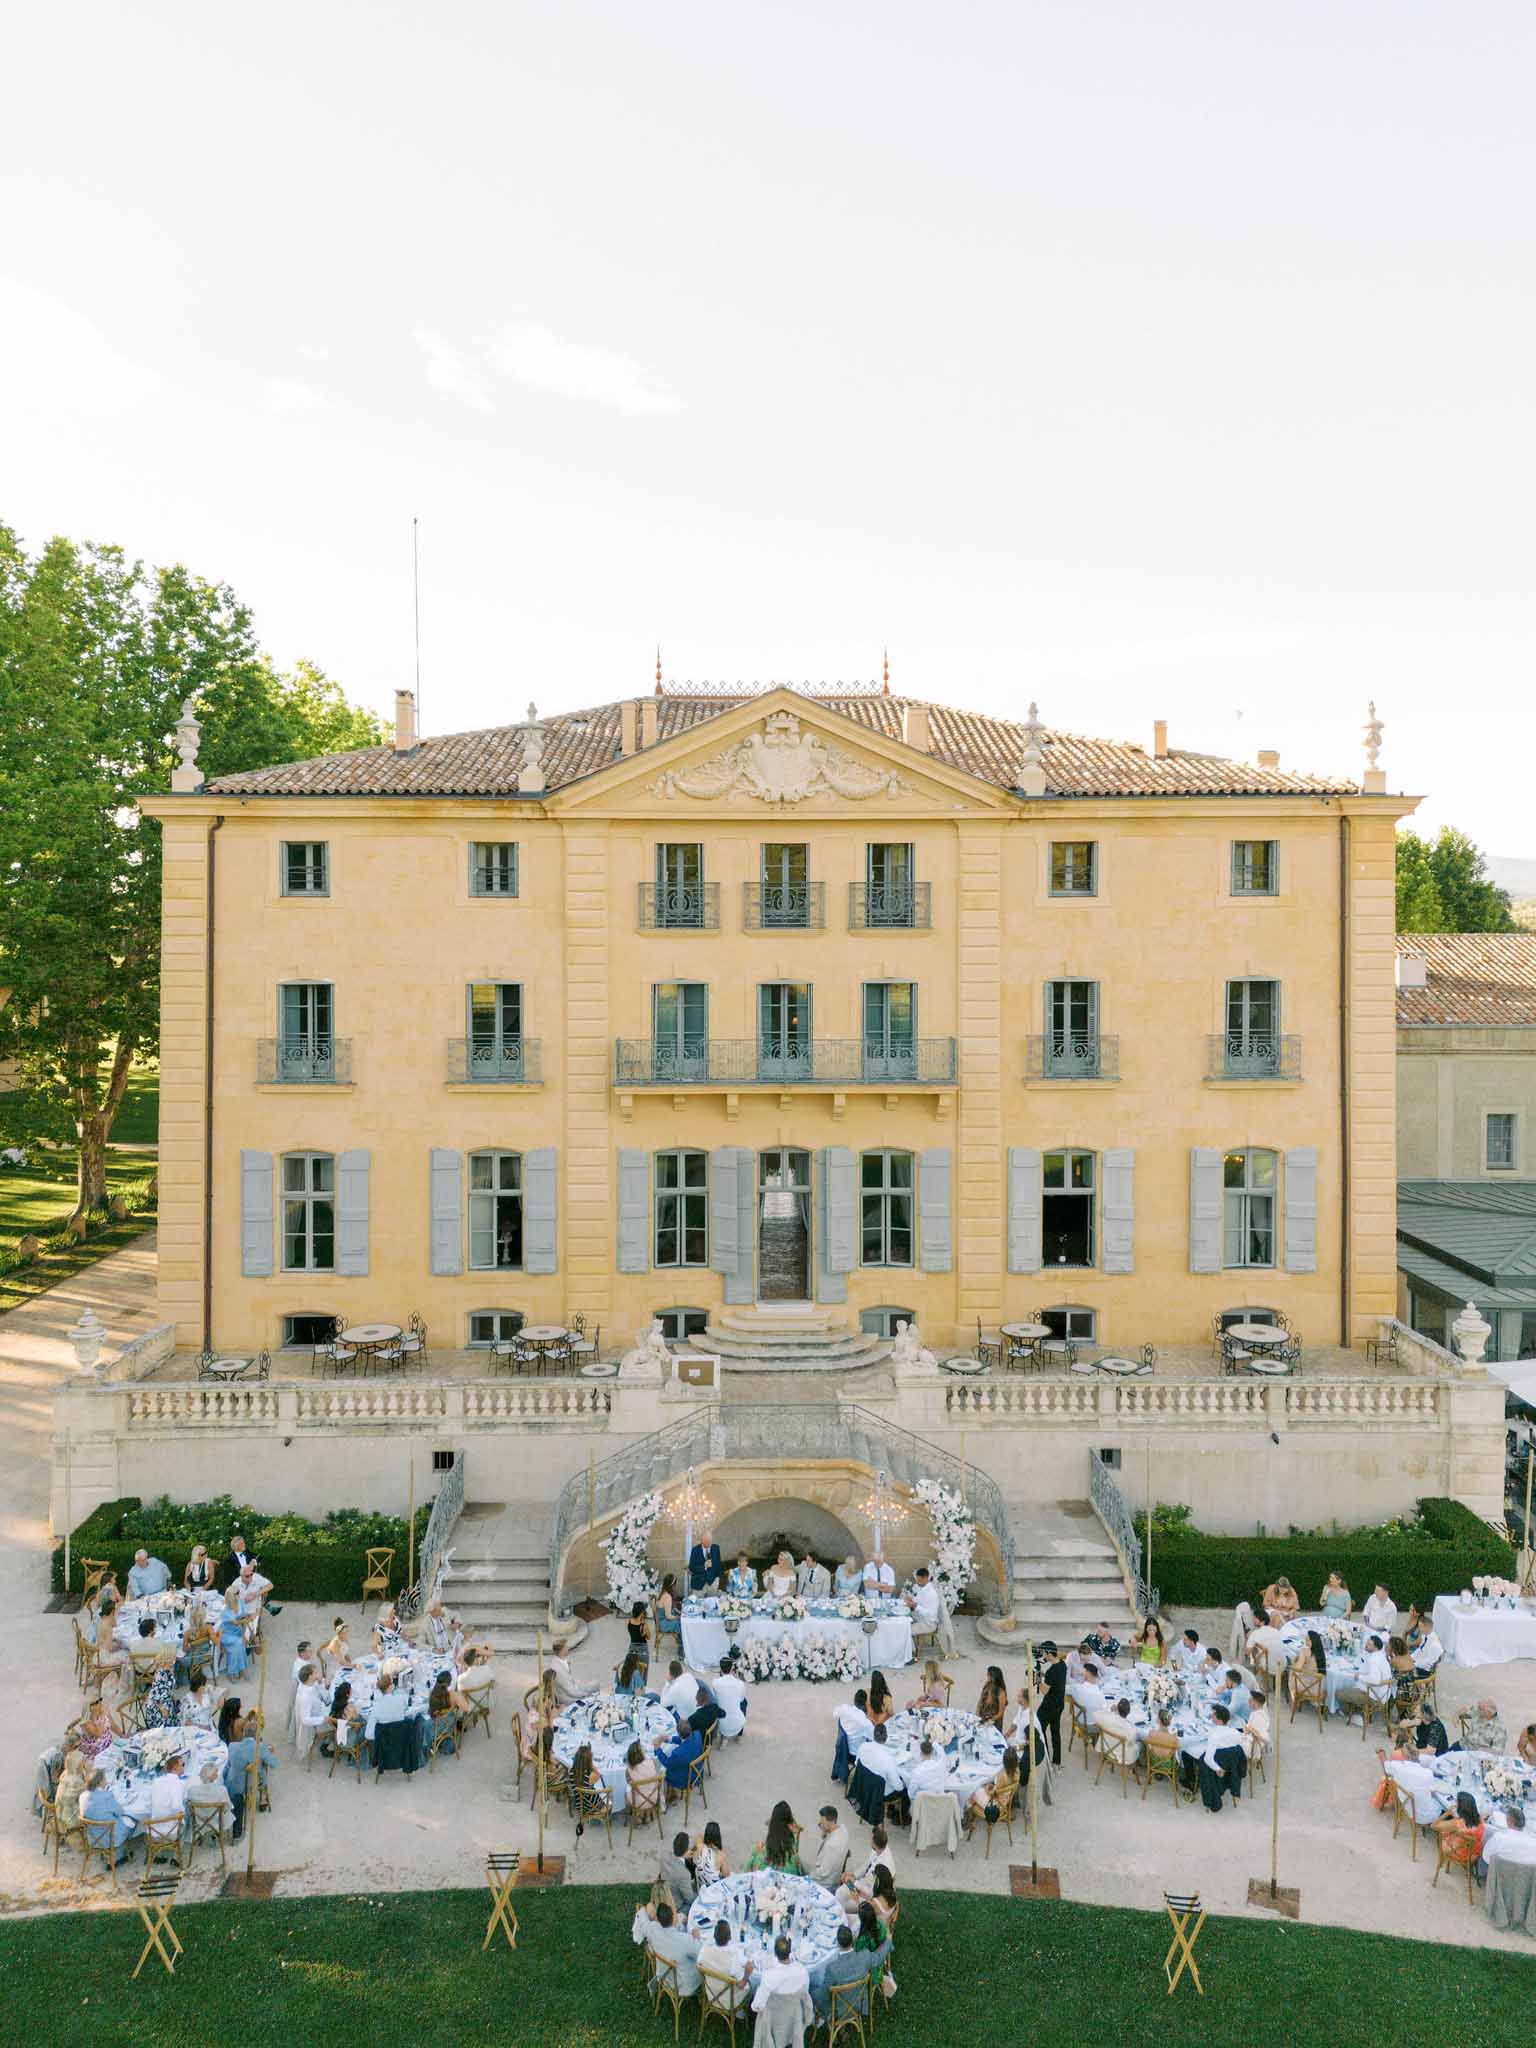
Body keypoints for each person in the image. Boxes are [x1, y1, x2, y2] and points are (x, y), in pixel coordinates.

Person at [810, 1921, 888, 2022]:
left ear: (837, 1943)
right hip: (859, 2004)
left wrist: (809, 1994)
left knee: (814, 1989)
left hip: (837, 2012)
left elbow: (823, 1994)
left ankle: (831, 2025)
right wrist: (888, 1941)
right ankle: (841, 2030)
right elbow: (879, 1957)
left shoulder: (832, 1968)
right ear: (853, 1940)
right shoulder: (865, 1956)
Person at [224, 1713, 277, 1841]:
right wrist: (270, 1751)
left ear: (244, 1733)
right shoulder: (261, 1748)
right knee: (263, 1768)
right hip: (252, 1783)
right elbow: (274, 1763)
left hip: (234, 1784)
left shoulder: (232, 1746)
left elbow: (228, 1765)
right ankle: (263, 1797)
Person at [637, 1899, 702, 1998]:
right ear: (673, 1919)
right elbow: (701, 1954)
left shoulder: (652, 1928)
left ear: (658, 1919)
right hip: (683, 1986)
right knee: (701, 1965)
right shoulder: (684, 1940)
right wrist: (697, 1938)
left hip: (664, 1975)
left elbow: (643, 1921)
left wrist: (643, 1908)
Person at [81, 1768, 142, 1864]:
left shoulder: (84, 1795)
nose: (106, 1780)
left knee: (117, 1820)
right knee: (133, 1820)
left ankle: (116, 1853)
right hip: (110, 1836)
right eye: (105, 1779)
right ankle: (118, 1855)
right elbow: (119, 1812)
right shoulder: (107, 1796)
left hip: (92, 1836)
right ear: (100, 1782)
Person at [963, 1745, 1021, 1832]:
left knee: (972, 1793)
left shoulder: (1003, 1776)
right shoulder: (1017, 1771)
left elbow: (993, 1793)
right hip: (1005, 1801)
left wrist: (987, 1788)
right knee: (981, 1788)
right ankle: (970, 1818)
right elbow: (1000, 1789)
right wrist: (992, 1786)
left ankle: (968, 1820)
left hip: (995, 1806)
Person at [750, 1933, 810, 2017]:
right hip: (795, 2017)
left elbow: (756, 2006)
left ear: (775, 1953)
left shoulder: (768, 1976)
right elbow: (805, 1995)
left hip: (773, 2020)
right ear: (790, 1951)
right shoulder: (802, 1971)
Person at [701, 1919, 753, 2008]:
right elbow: (741, 1985)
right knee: (750, 1983)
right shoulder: (733, 1958)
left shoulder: (704, 1951)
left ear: (714, 1936)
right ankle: (740, 2013)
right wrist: (747, 1974)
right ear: (730, 1937)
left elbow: (699, 1964)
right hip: (729, 2001)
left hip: (711, 1994)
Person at [1432, 1790, 1486, 1872]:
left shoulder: (1456, 1823)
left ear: (1460, 1807)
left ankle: (1441, 1860)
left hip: (1458, 1853)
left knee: (1442, 1832)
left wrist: (1447, 1813)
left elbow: (1433, 1826)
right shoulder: (1480, 1819)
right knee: (1450, 1831)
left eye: (1456, 1801)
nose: (1455, 1802)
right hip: (1473, 1853)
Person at [184, 1759, 235, 1841]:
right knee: (229, 1812)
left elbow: (188, 1809)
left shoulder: (192, 1791)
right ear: (214, 1776)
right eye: (216, 1773)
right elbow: (227, 1807)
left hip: (199, 1824)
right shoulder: (221, 1790)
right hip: (217, 1823)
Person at [748, 1800, 804, 1873]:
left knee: (756, 1851)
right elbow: (797, 1833)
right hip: (786, 1864)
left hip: (769, 1859)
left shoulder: (772, 1825)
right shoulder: (792, 1828)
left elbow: (767, 1822)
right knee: (795, 1858)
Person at [1035, 1644, 1068, 1766]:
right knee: (1055, 1732)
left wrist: (1038, 1680)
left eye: (1044, 1653)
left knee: (1039, 1730)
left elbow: (1044, 1691)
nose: (1043, 1655)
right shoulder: (1062, 1665)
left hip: (1048, 1707)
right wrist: (1044, 1676)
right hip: (1059, 1705)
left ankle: (1046, 1759)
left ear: (1049, 1653)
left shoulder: (1051, 1671)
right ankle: (1056, 1761)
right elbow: (1054, 1681)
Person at [656, 1716, 702, 1803]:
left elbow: (667, 1763)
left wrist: (657, 1749)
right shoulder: (697, 1734)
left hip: (685, 1779)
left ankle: (667, 1796)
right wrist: (669, 1739)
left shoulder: (677, 1753)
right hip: (698, 1770)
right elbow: (685, 1740)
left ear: (678, 1733)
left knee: (663, 1771)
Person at [293, 1664, 331, 1761]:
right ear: (310, 1676)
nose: (318, 1674)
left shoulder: (307, 1683)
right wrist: (323, 1719)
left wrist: (321, 1682)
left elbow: (316, 1686)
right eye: (316, 1673)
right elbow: (305, 1719)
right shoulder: (305, 1696)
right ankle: (330, 1744)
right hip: (316, 1719)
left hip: (319, 1709)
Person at [1485, 1806, 1536, 1875]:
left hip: (1500, 1878)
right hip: (1524, 1881)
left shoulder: (1499, 1837)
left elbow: (1486, 1858)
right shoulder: (1533, 1843)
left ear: (1509, 1822)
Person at [809, 1804, 850, 1884]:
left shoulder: (831, 1845)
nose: (820, 1824)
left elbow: (823, 1873)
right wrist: (825, 1831)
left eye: (822, 1823)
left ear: (831, 1822)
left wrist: (809, 1876)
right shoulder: (844, 1829)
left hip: (824, 1883)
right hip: (835, 1871)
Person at [217, 1585, 250, 1680]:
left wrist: (244, 1634)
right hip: (226, 1634)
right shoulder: (225, 1610)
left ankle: (235, 1671)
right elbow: (236, 1622)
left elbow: (244, 1617)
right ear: (232, 1596)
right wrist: (245, 1621)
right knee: (239, 1644)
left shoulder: (241, 1602)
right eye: (237, 1593)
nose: (239, 1594)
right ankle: (239, 1670)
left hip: (238, 1632)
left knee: (238, 1647)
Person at [712, 1657, 748, 1739]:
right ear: (732, 1668)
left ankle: (724, 1737)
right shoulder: (740, 1683)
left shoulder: (715, 1682)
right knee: (744, 1702)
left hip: (722, 1724)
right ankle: (739, 1735)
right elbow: (741, 1700)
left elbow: (715, 1699)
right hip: (738, 1723)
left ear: (720, 1668)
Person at [76, 1697, 115, 1765]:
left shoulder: (104, 1713)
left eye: (100, 1700)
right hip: (94, 1751)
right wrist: (103, 1715)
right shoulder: (86, 1722)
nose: (99, 1703)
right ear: (89, 1708)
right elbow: (98, 1734)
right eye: (96, 1702)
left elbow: (113, 1725)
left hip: (107, 1745)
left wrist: (123, 1735)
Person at [1066, 1659, 1106, 1725]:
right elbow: (1104, 1708)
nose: (1081, 1674)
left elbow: (1063, 1689)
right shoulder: (1099, 1692)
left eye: (1083, 1672)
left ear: (1087, 1673)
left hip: (1081, 1720)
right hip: (1094, 1723)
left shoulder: (1077, 1688)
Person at [693, 1819, 730, 1886]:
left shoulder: (699, 1845)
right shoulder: (720, 1855)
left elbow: (699, 1836)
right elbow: (727, 1875)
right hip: (713, 1886)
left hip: (701, 1881)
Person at [837, 1689, 875, 1753]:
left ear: (854, 1700)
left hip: (844, 1746)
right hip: (856, 1752)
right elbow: (875, 1738)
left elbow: (835, 1712)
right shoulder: (865, 1723)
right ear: (865, 1704)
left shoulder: (844, 1708)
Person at [688, 1528, 723, 1595]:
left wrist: (717, 1579)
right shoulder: (695, 1550)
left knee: (712, 1603)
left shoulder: (716, 1548)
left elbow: (719, 1565)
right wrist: (704, 1566)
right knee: (697, 1604)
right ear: (702, 1540)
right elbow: (691, 1567)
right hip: (698, 1584)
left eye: (710, 1541)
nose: (709, 1543)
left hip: (712, 1583)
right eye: (707, 1541)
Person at [655, 1574, 682, 1642]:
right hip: (664, 1623)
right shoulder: (667, 1597)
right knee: (682, 1623)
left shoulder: (664, 1592)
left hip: (662, 1620)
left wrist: (679, 1613)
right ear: (671, 1585)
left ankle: (680, 1640)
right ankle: (681, 1644)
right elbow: (668, 1616)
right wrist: (679, 1617)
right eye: (675, 1584)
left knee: (681, 1619)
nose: (675, 1586)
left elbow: (671, 1608)